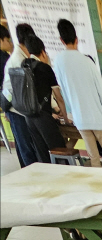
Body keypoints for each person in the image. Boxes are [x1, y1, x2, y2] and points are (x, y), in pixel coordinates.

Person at [53, 19, 102, 169]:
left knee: (94, 159)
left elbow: (63, 92)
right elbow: (101, 93)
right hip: (98, 118)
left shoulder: (58, 62)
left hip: (80, 119)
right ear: (76, 40)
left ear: (61, 40)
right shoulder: (87, 62)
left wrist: (71, 114)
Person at [17, 35, 66, 164]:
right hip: (43, 117)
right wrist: (65, 118)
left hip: (29, 117)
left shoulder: (24, 64)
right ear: (43, 52)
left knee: (42, 153)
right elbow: (59, 97)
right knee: (59, 149)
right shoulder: (45, 68)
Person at [1, 22, 39, 167]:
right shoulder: (18, 60)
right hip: (16, 110)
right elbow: (13, 90)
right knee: (26, 148)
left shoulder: (23, 56)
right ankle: (31, 178)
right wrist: (7, 110)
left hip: (19, 108)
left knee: (26, 146)